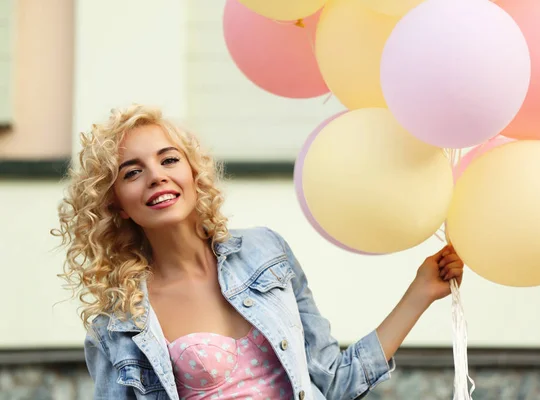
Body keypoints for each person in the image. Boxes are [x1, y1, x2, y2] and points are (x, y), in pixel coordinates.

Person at [54, 104, 464, 400]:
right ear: (116, 205)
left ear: (193, 174)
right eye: (132, 171)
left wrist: (421, 292)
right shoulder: (120, 323)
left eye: (169, 159)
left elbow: (335, 382)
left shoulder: (265, 251)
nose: (156, 176)